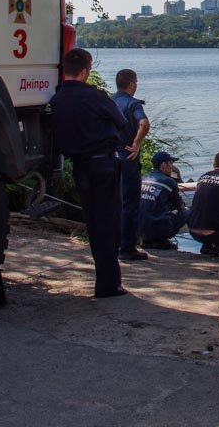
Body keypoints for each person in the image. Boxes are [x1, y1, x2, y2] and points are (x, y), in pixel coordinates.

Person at [49, 48, 128, 298]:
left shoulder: (57, 99)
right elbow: (121, 121)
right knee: (108, 223)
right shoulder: (95, 96)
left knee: (93, 223)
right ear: (85, 71)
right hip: (103, 163)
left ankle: (106, 279)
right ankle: (108, 283)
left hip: (80, 166)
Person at [112, 69, 151, 262]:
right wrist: (136, 143)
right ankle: (127, 247)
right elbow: (144, 123)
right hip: (128, 156)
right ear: (132, 84)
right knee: (130, 202)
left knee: (114, 201)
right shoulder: (133, 104)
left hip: (110, 156)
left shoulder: (110, 101)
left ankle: (113, 243)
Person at [138, 151, 190, 249]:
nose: (172, 167)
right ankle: (161, 240)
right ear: (163, 165)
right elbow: (179, 206)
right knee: (185, 212)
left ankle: (147, 240)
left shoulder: (143, 178)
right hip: (157, 228)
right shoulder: (168, 181)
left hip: (139, 227)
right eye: (170, 163)